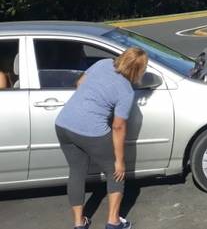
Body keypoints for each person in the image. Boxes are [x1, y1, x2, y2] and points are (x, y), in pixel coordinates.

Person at [55, 47, 148, 229]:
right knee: (116, 172)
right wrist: (120, 161)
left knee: (76, 171)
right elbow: (118, 127)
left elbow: (80, 84)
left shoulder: (103, 64)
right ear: (138, 70)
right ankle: (113, 222)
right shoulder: (126, 91)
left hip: (63, 123)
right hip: (90, 130)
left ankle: (79, 223)